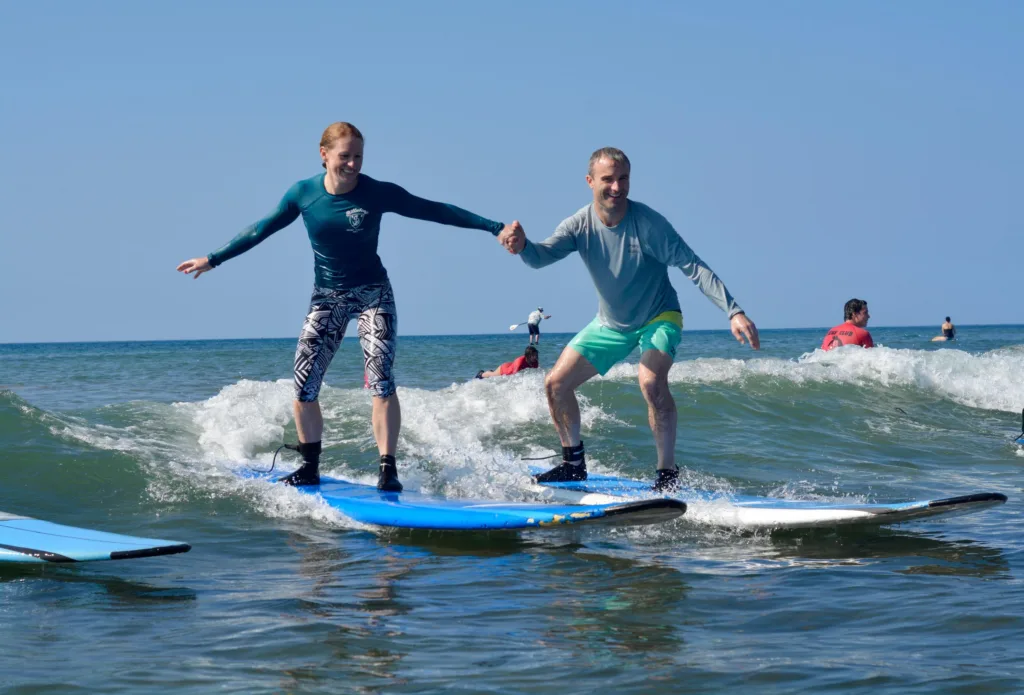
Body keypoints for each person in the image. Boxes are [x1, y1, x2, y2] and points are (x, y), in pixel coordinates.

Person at [177, 122, 520, 490]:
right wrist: (213, 259)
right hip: (328, 297)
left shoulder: (376, 192)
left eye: (358, 156)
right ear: (324, 154)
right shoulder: (303, 194)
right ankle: (309, 467)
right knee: (304, 384)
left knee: (381, 380)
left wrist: (495, 226)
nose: (353, 164)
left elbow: (433, 209)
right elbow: (261, 229)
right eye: (345, 156)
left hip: (374, 294)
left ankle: (388, 470)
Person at [496, 147, 759, 492]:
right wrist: (522, 246)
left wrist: (733, 310)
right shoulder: (580, 224)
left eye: (623, 179)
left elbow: (692, 265)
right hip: (611, 324)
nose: (617, 188)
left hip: (658, 317)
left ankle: (667, 474)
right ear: (590, 182)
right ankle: (573, 464)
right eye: (608, 179)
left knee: (650, 382)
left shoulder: (649, 225)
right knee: (555, 384)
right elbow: (540, 257)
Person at [476, 346, 540, 379]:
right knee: (492, 375)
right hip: (505, 370)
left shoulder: (535, 362)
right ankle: (481, 374)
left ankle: (491, 371)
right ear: (528, 356)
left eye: (536, 355)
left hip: (510, 365)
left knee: (493, 374)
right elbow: (514, 376)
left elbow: (535, 372)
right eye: (534, 355)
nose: (536, 357)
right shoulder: (520, 361)